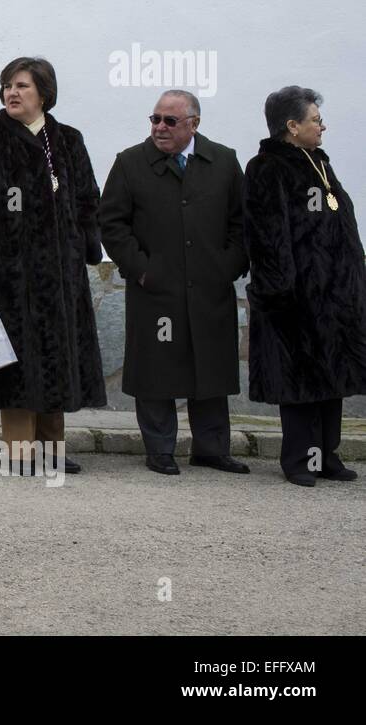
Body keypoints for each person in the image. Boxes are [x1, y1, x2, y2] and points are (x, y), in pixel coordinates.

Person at [0, 57, 104, 474]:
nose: (11, 93)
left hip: (59, 274)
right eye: (7, 86)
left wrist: (85, 248)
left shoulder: (68, 140)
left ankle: (53, 451)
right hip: (7, 276)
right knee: (14, 363)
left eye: (22, 86)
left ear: (44, 94)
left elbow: (88, 198)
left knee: (57, 358)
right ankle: (19, 452)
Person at [98, 90, 251, 476]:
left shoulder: (224, 161)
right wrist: (142, 269)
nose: (159, 127)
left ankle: (212, 449)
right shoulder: (131, 163)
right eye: (154, 119)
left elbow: (242, 223)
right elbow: (112, 225)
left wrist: (227, 265)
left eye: (169, 121)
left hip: (209, 286)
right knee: (156, 371)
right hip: (156, 288)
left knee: (211, 368)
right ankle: (160, 449)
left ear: (194, 124)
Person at [243, 86, 363, 487]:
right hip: (295, 297)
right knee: (300, 384)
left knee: (332, 380)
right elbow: (268, 234)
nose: (322, 125)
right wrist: (281, 289)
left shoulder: (319, 162)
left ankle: (327, 456)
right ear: (292, 126)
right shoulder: (267, 167)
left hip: (334, 295)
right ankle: (299, 460)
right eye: (315, 119)